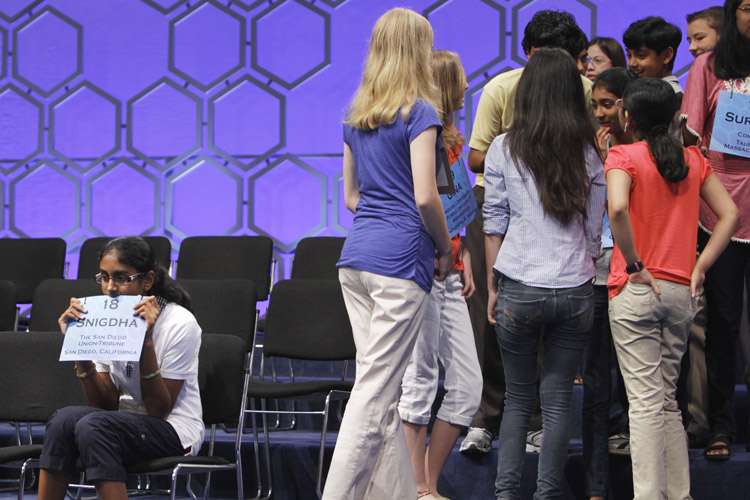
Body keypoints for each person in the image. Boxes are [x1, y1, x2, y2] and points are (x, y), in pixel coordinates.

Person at [322, 8, 453, 500]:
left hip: (355, 259)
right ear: (420, 50)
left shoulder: (357, 115)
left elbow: (352, 198)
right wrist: (444, 249)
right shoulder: (421, 111)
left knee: (380, 386)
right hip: (401, 262)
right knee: (376, 394)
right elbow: (425, 195)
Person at [461, 9, 594, 456]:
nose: (549, 67)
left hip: (562, 208)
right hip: (500, 203)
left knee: (546, 313)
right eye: (541, 55)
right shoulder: (500, 88)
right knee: (492, 311)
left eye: (558, 56)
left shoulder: (587, 90)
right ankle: (485, 416)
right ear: (526, 53)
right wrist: (524, 153)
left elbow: (597, 160)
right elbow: (476, 158)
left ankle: (537, 421)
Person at [606, 77, 738, 499]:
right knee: (665, 403)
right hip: (681, 291)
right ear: (675, 116)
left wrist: (634, 262)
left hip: (636, 289)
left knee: (645, 405)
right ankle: (678, 495)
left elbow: (618, 207)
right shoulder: (694, 159)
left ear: (628, 117)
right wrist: (699, 267)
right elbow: (730, 215)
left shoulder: (622, 154)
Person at [484, 48, 606, 500]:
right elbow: (595, 229)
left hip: (519, 284)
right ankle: (547, 495)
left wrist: (495, 285)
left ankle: (505, 494)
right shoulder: (590, 151)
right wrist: (587, 258)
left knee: (518, 401)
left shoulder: (503, 146)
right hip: (575, 288)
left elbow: (494, 221)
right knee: (556, 404)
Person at [38, 236, 202, 500]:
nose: (110, 287)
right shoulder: (103, 316)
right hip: (119, 421)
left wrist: (146, 341)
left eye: (121, 278)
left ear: (146, 280)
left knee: (93, 426)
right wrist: (78, 346)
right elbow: (105, 403)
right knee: (63, 420)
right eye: (104, 277)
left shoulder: (180, 323)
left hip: (173, 429)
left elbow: (159, 410)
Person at [399, 49, 482, 500]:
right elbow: (421, 202)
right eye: (462, 79)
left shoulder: (450, 139)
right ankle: (417, 488)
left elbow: (455, 207)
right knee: (420, 381)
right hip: (423, 271)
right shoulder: (420, 136)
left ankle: (423, 483)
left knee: (468, 387)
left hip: (450, 270)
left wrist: (463, 250)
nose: (468, 87)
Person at [681, 0, 750, 461]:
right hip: (722, 215)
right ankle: (721, 426)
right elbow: (690, 137)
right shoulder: (707, 66)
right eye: (747, 7)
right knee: (723, 324)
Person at [582, 67, 637, 500]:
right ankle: (596, 487)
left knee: (638, 386)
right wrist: (600, 164)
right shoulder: (590, 149)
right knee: (597, 384)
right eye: (595, 104)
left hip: (636, 273)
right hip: (596, 274)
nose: (600, 112)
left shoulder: (648, 149)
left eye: (607, 103)